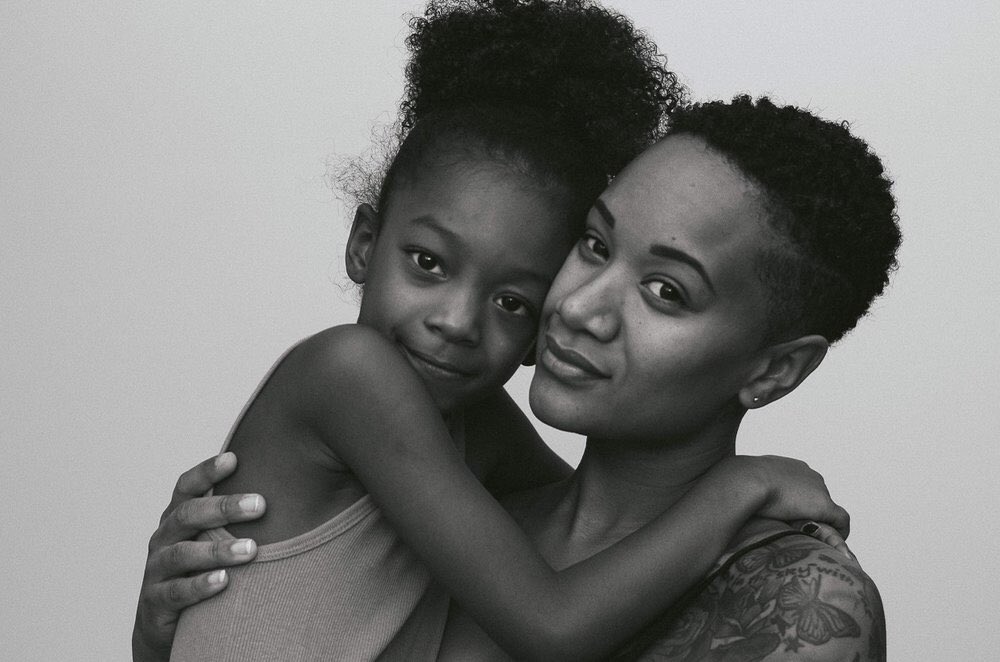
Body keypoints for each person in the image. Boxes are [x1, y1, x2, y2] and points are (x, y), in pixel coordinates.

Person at [137, 3, 849, 662]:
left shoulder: (473, 437)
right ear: (363, 244)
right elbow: (551, 622)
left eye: (512, 300)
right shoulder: (349, 372)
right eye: (428, 263)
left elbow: (583, 518)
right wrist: (739, 487)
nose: (456, 322)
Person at [434, 95, 897, 660]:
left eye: (666, 291)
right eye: (595, 245)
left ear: (774, 370)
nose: (578, 307)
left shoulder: (795, 598)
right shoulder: (460, 507)